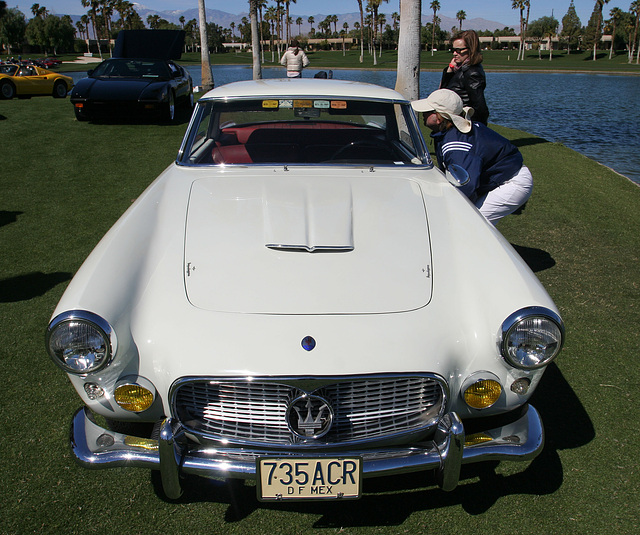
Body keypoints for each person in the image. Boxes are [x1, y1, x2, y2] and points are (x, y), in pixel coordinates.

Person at [412, 89, 532, 225]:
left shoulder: (456, 145)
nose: (422, 114)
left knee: (473, 222)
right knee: (468, 219)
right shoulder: (451, 133)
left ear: (439, 117)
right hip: (503, 176)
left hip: (512, 182)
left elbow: (466, 186)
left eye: (428, 111)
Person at [440, 30, 489, 124]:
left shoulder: (472, 73)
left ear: (471, 49)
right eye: (453, 50)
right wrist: (449, 70)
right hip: (453, 123)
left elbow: (480, 107)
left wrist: (475, 130)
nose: (454, 53)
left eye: (459, 50)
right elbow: (443, 93)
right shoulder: (459, 69)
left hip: (463, 124)